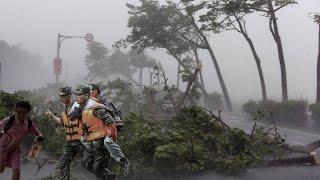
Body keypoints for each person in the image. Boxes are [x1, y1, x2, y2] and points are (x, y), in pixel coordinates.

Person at [73, 85, 128, 179]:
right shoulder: (81, 108)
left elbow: (110, 121)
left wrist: (110, 137)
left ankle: (109, 173)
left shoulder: (95, 108)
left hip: (101, 141)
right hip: (91, 141)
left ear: (86, 95)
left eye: (79, 95)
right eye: (76, 95)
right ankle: (108, 176)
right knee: (86, 162)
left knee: (98, 168)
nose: (77, 97)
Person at [0, 101, 44, 180]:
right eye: (19, 112)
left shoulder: (29, 124)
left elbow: (38, 133)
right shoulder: (8, 121)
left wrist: (38, 140)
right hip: (2, 149)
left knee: (17, 171)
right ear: (15, 111)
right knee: (1, 169)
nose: (21, 115)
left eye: (24, 113)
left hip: (15, 150)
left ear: (28, 113)